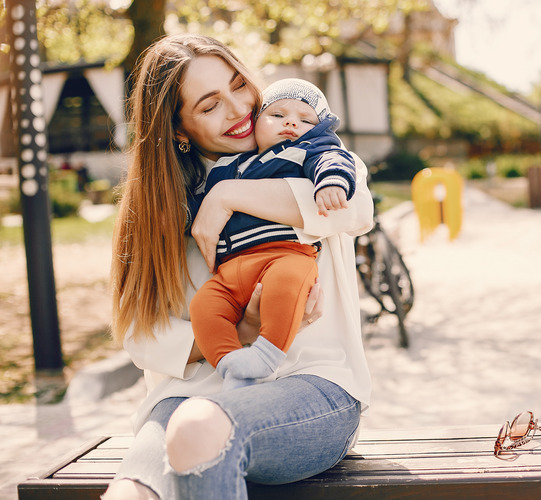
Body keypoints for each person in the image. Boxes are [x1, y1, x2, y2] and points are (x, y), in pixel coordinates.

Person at [103, 33, 373, 500]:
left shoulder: (310, 154)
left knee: (198, 426)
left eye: (238, 85)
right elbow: (141, 336)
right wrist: (240, 331)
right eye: (210, 106)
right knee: (132, 491)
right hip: (186, 397)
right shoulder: (161, 208)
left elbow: (352, 208)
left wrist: (227, 196)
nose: (238, 108)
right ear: (178, 130)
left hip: (310, 389)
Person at [188, 78, 357, 391]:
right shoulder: (227, 165)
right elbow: (197, 208)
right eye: (277, 115)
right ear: (255, 124)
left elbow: (333, 159)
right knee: (204, 305)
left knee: (286, 285)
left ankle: (265, 357)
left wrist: (332, 181)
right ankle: (231, 365)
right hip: (231, 269)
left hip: (286, 254)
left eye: (306, 120)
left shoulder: (307, 151)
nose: (291, 122)